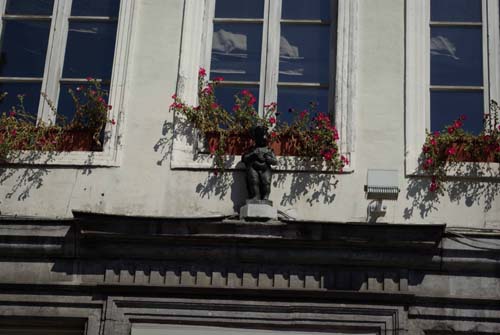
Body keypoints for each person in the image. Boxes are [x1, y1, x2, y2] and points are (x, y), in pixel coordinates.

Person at [242, 126, 278, 201]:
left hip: (265, 169)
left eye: (264, 138)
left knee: (266, 182)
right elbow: (244, 158)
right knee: (254, 181)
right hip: (253, 168)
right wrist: (253, 154)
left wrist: (268, 159)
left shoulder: (268, 150)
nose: (263, 140)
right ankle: (255, 196)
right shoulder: (252, 149)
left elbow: (275, 161)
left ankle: (265, 197)